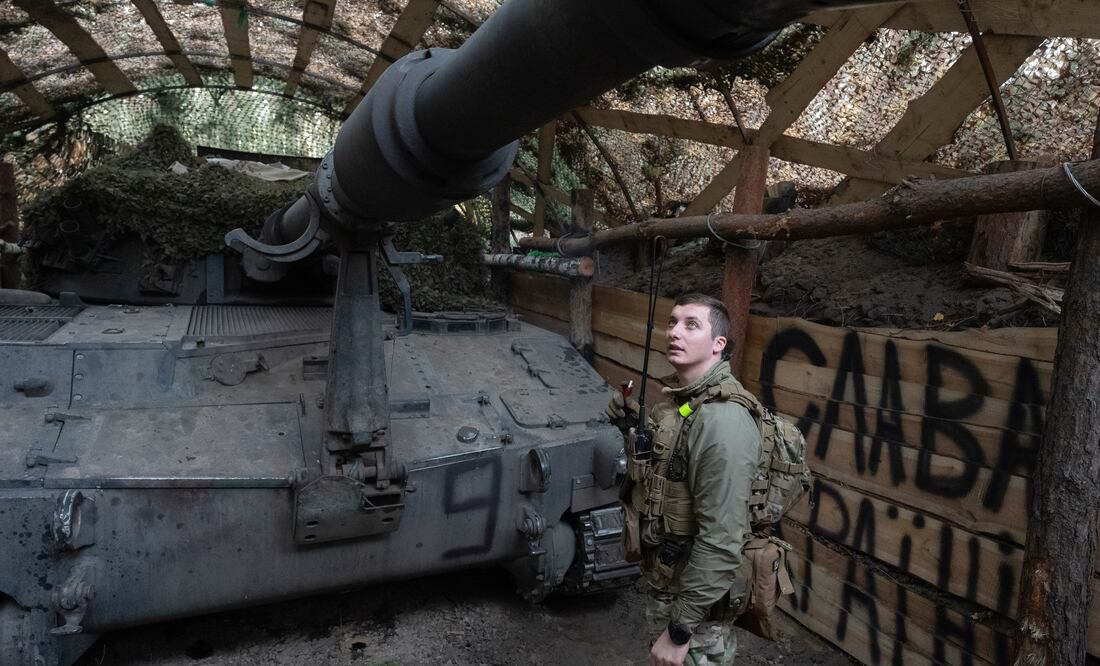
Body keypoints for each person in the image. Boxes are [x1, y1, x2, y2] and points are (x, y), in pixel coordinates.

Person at [607, 293, 761, 666]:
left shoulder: (722, 420)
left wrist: (680, 632)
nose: (675, 331)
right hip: (671, 585)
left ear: (718, 344)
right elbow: (665, 468)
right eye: (673, 322)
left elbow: (723, 539)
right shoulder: (682, 403)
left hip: (697, 611)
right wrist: (631, 426)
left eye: (692, 325)